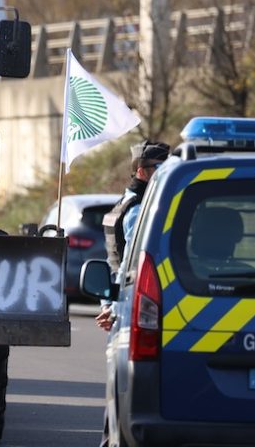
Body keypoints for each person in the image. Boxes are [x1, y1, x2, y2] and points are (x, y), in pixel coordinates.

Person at [95, 139, 169, 447]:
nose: (165, 172)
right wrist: (113, 306)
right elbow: (128, 263)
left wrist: (109, 302)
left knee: (119, 395)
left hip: (120, 303)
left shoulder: (126, 202)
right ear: (142, 171)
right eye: (159, 168)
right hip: (128, 306)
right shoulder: (139, 209)